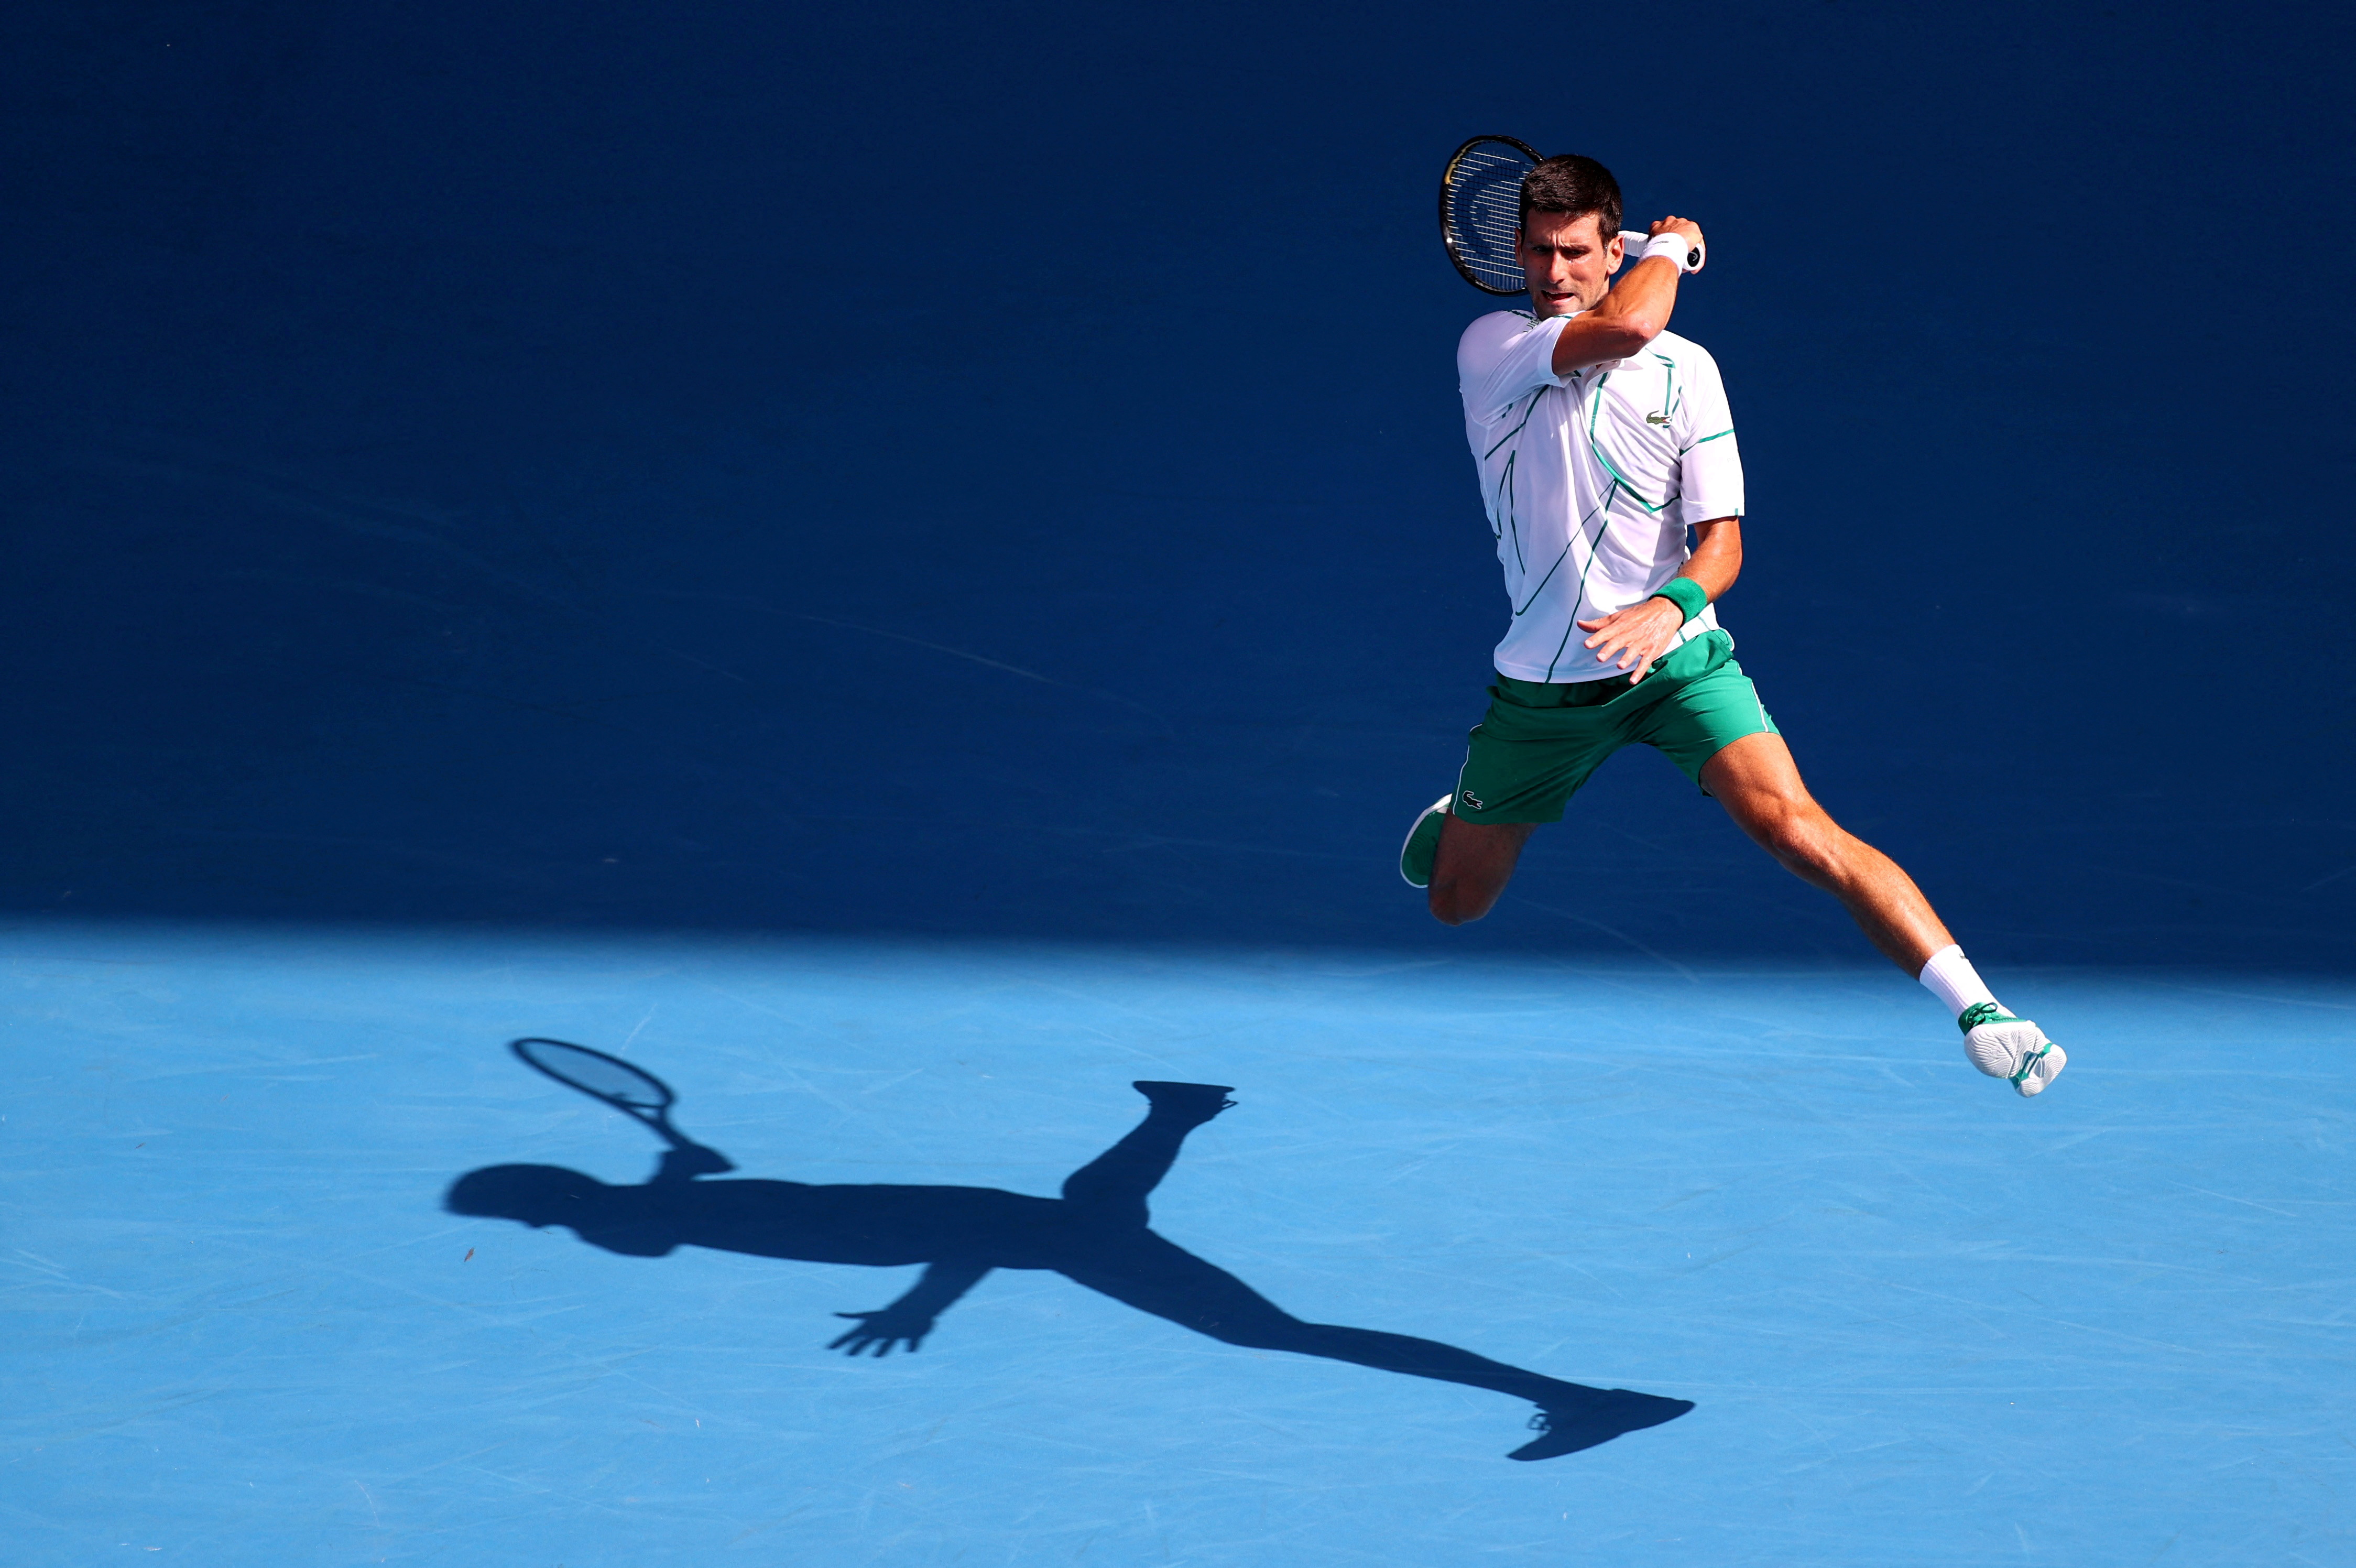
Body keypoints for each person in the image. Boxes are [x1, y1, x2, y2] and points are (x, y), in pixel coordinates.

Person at [1399, 154, 2063, 1097]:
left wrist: (1667, 609)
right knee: (1456, 907)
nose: (1555, 274)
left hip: (1675, 663)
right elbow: (1626, 323)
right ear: (1515, 250)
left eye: (1578, 252)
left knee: (1797, 828)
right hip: (1545, 691)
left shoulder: (1691, 373)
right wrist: (1666, 245)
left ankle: (1983, 1010)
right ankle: (1460, 807)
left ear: (1606, 247)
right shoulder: (1492, 346)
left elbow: (1722, 549)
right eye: (1540, 252)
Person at [446, 1080, 1692, 1460]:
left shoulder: (647, 1218)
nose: (535, 1229)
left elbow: (971, 1240)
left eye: (523, 1214)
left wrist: (915, 1305)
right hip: (982, 1213)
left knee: (1277, 1334)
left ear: (550, 1203)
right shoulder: (664, 1202)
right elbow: (685, 1185)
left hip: (995, 1228)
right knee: (1090, 1210)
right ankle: (1176, 1113)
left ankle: (1585, 1397)